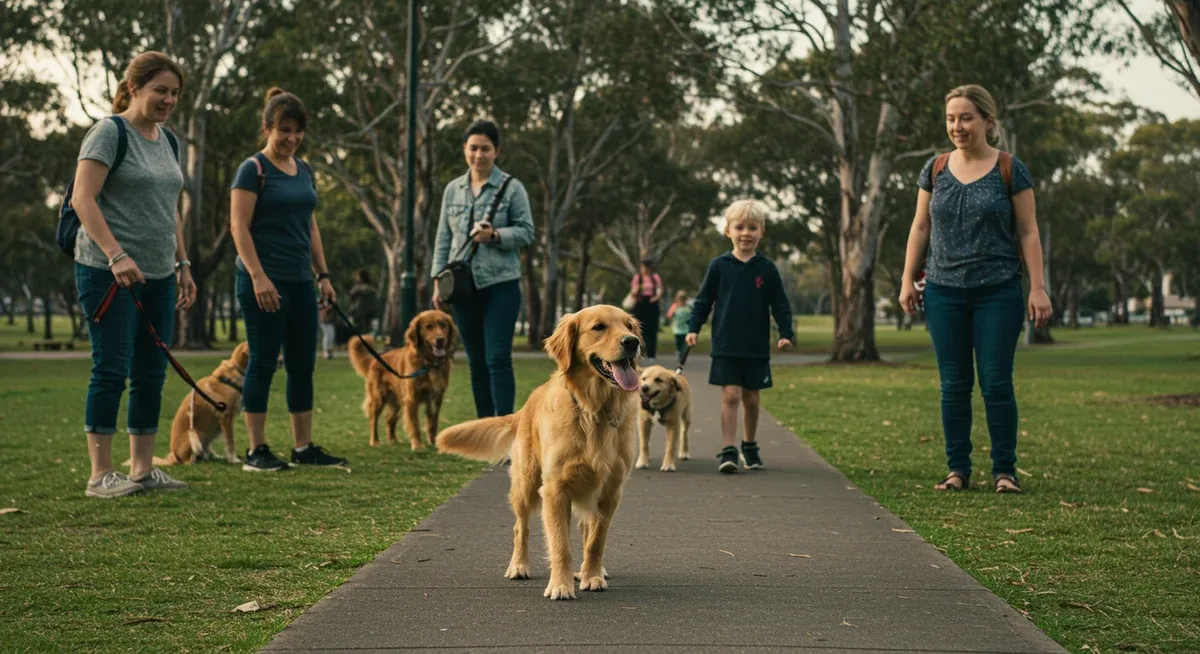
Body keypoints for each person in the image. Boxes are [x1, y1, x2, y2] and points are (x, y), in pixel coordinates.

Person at [898, 84, 1052, 494]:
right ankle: (957, 470)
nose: (957, 126)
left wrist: (1038, 288)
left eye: (966, 117)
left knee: (997, 382)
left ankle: (1004, 470)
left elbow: (1028, 231)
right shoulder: (935, 169)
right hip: (943, 291)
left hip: (998, 291)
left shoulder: (1010, 168)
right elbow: (920, 226)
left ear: (987, 120)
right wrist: (907, 278)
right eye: (951, 118)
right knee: (954, 385)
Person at [73, 51, 196, 499]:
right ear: (134, 88)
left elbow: (170, 210)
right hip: (107, 272)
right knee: (111, 367)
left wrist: (182, 264)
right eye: (160, 90)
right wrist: (116, 255)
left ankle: (142, 469)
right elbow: (83, 200)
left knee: (150, 371)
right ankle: (100, 474)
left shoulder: (169, 140)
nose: (167, 100)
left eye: (175, 93)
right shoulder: (109, 133)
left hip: (160, 273)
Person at [230, 87, 347, 472]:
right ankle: (256, 449)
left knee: (302, 364)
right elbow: (239, 227)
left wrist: (323, 274)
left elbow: (310, 227)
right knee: (263, 361)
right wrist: (259, 277)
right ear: (267, 128)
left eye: (297, 131)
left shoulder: (305, 170)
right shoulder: (253, 170)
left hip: (300, 281)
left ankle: (303, 447)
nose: (291, 138)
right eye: (284, 130)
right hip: (263, 281)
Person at [431, 120, 535, 418]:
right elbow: (443, 238)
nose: (478, 155)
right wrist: (438, 279)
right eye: (473, 148)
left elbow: (527, 232)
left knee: (497, 358)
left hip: (500, 284)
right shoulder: (453, 190)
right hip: (463, 288)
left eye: (485, 149)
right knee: (476, 361)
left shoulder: (512, 188)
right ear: (465, 150)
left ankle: (505, 429)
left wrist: (496, 236)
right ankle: (485, 428)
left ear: (496, 151)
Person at [687, 200, 794, 474]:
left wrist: (785, 333)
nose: (746, 233)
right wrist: (693, 328)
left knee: (752, 398)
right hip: (725, 343)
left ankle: (749, 445)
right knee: (731, 395)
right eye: (740, 227)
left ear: (762, 232)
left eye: (752, 227)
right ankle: (728, 449)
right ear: (728, 231)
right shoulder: (719, 265)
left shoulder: (767, 269)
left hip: (756, 345)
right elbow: (703, 300)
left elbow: (780, 304)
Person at [629, 259, 663, 364]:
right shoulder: (637, 278)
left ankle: (651, 354)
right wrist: (639, 288)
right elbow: (633, 292)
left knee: (651, 330)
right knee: (638, 328)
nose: (645, 270)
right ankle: (638, 353)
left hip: (652, 304)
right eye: (644, 267)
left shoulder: (655, 277)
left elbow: (660, 289)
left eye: (647, 268)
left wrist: (656, 297)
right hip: (640, 304)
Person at [348, 268, 379, 337]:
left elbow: (351, 296)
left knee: (362, 331)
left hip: (361, 312)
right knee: (365, 331)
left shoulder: (358, 288)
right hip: (366, 312)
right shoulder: (371, 288)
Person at [666, 289, 692, 364]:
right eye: (680, 299)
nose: (681, 301)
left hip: (686, 330)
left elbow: (692, 317)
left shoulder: (688, 308)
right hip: (677, 330)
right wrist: (672, 313)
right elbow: (669, 316)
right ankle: (679, 354)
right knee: (678, 344)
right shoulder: (675, 306)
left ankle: (682, 356)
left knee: (684, 345)